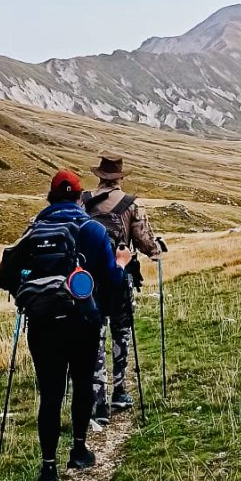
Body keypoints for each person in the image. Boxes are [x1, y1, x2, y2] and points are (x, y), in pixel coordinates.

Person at [0, 169, 131, 481]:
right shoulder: (92, 231)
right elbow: (111, 279)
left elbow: (6, 274)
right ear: (79, 197)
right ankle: (79, 450)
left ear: (51, 198)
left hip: (42, 325)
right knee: (82, 385)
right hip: (83, 323)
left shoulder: (34, 231)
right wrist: (122, 263)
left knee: (50, 394)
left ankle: (48, 469)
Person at [84, 153, 160, 423]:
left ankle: (98, 400)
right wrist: (156, 249)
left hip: (89, 281)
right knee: (121, 332)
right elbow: (144, 241)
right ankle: (120, 390)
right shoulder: (131, 204)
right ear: (119, 178)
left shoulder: (84, 202)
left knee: (95, 336)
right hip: (120, 277)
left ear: (99, 176)